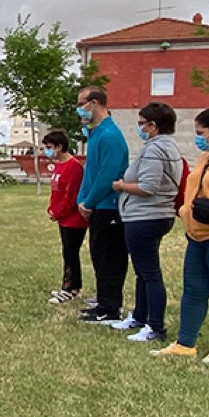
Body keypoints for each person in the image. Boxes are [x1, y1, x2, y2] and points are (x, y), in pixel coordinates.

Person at [151, 101, 209, 363]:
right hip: (197, 236)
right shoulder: (206, 157)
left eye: (201, 133)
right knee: (194, 290)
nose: (198, 138)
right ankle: (186, 342)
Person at [110, 102, 181, 342]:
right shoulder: (168, 147)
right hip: (152, 216)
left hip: (146, 216)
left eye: (141, 123)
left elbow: (148, 187)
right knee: (142, 272)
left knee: (150, 273)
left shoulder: (154, 150)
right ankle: (140, 316)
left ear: (153, 125)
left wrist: (121, 186)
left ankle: (155, 326)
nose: (139, 127)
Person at [75, 87, 129, 324]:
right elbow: (90, 173)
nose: (79, 109)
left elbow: (107, 175)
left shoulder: (110, 135)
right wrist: (82, 200)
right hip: (97, 206)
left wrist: (90, 201)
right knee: (99, 254)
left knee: (110, 257)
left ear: (95, 103)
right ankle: (104, 300)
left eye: (81, 103)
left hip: (109, 207)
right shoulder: (94, 133)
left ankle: (110, 307)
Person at [42, 130, 88, 304]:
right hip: (62, 218)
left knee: (70, 253)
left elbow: (71, 196)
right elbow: (57, 192)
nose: (47, 151)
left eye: (49, 147)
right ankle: (74, 285)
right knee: (68, 252)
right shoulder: (59, 166)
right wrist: (52, 209)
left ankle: (68, 288)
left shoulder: (73, 167)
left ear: (59, 147)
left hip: (74, 220)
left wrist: (59, 211)